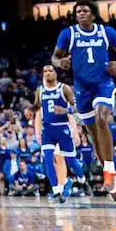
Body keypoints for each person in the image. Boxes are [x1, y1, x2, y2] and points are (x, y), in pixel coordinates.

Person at [52, 0, 116, 200]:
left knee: (102, 119)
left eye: (85, 11)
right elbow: (54, 57)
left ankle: (110, 171)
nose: (81, 14)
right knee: (93, 135)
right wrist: (61, 62)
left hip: (103, 83)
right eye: (78, 12)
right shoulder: (68, 34)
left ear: (93, 14)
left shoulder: (107, 32)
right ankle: (110, 174)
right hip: (81, 87)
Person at [31, 63, 85, 202]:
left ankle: (72, 181)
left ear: (55, 73)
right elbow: (37, 112)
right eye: (44, 71)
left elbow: (75, 111)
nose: (47, 73)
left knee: (64, 160)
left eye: (50, 70)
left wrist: (74, 131)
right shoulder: (40, 91)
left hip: (63, 128)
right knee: (50, 159)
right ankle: (58, 189)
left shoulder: (64, 88)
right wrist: (37, 131)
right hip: (48, 129)